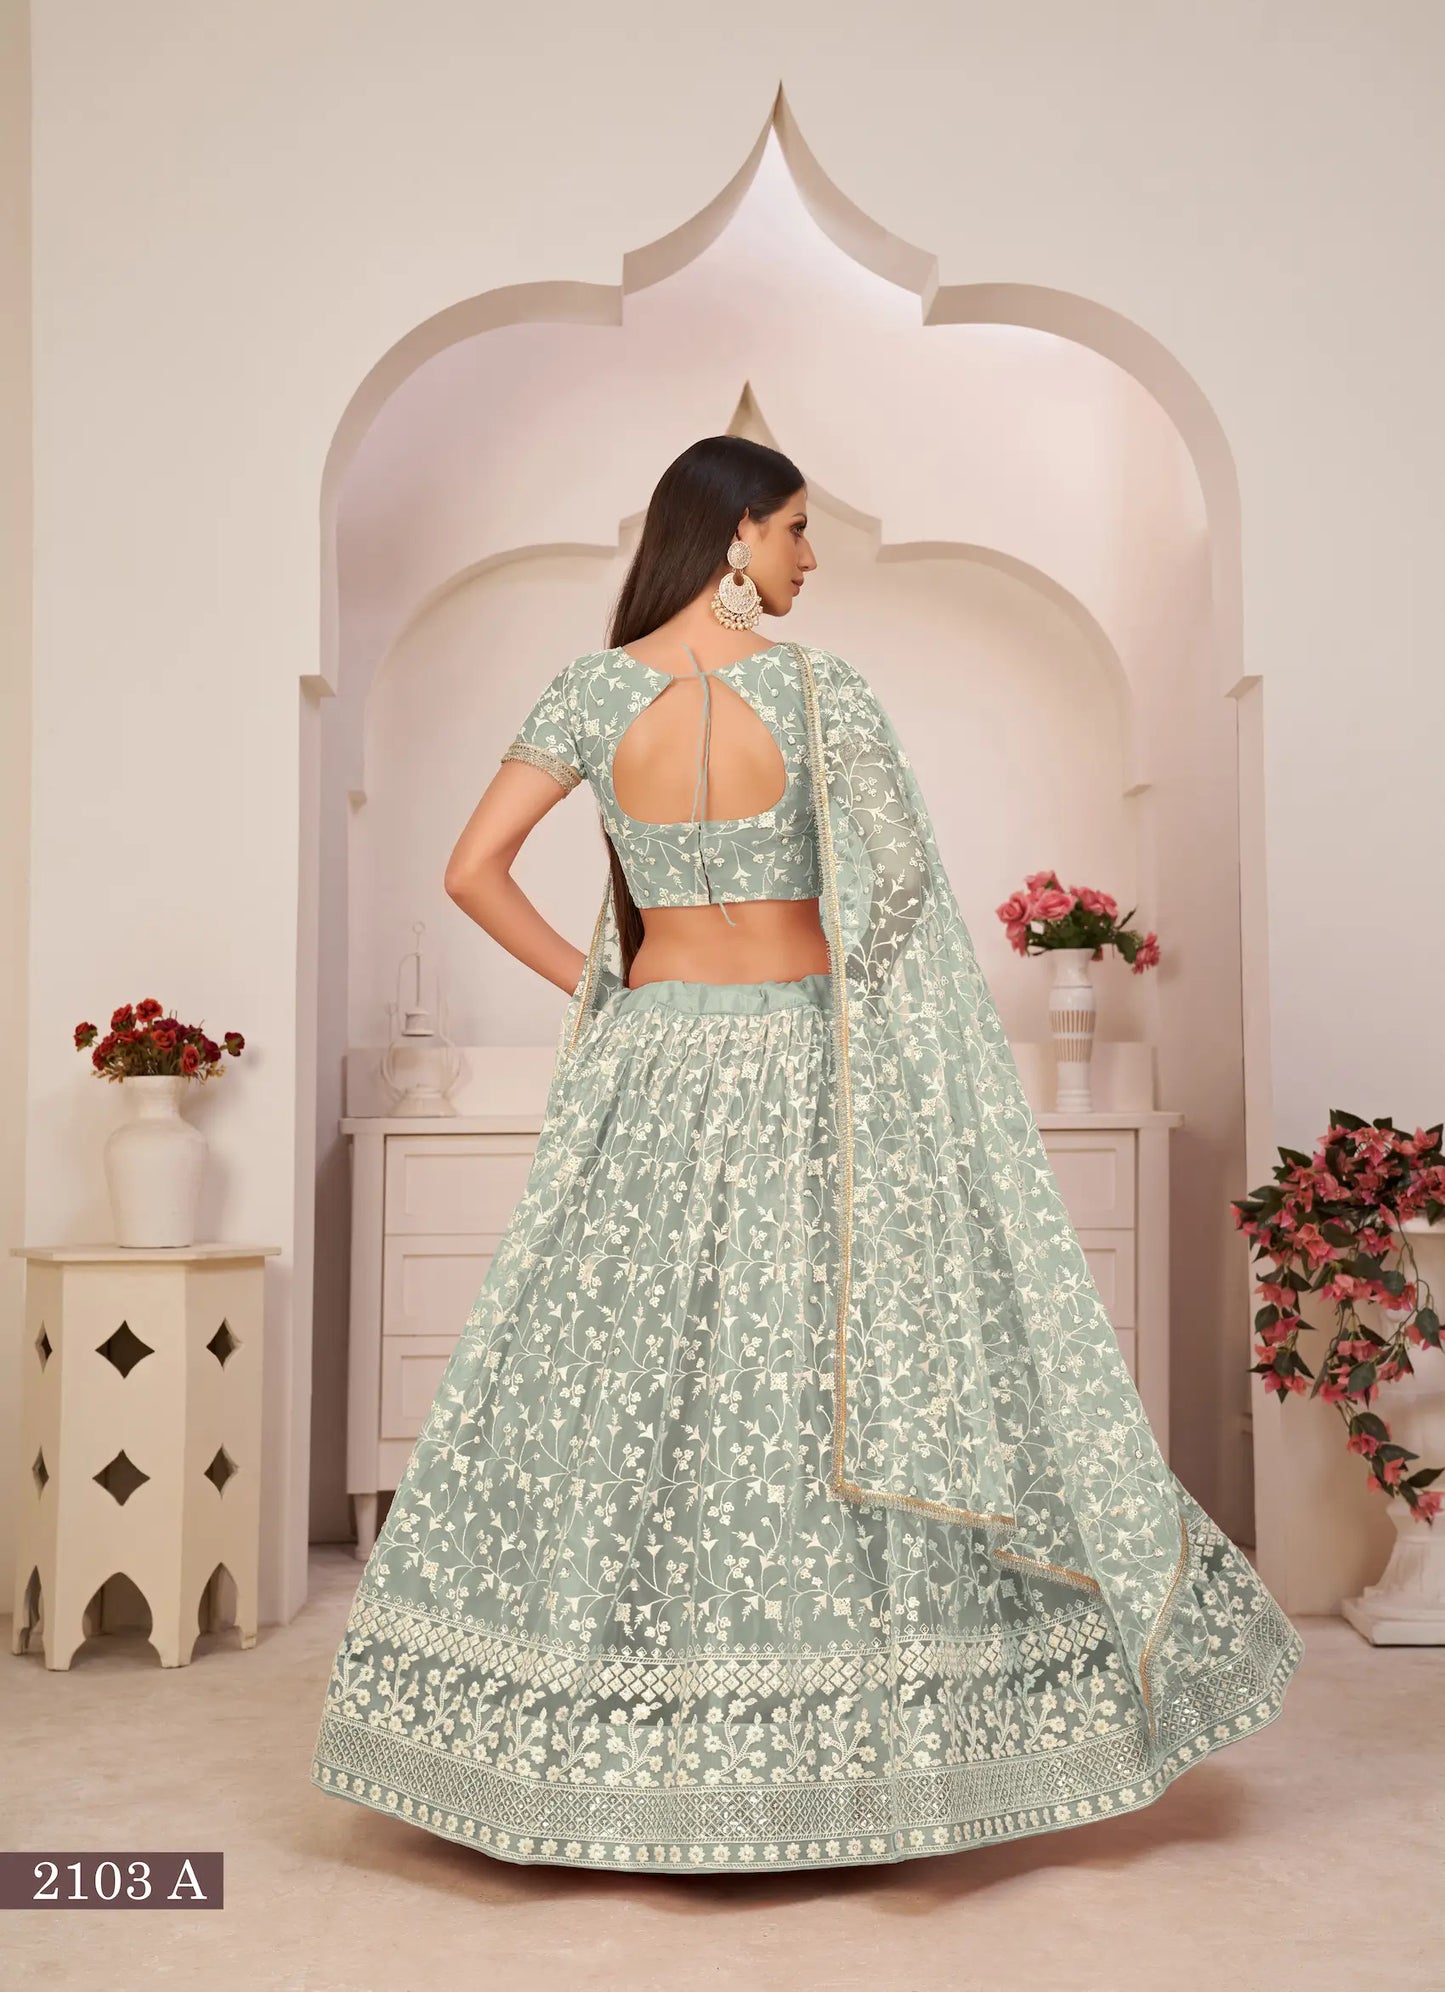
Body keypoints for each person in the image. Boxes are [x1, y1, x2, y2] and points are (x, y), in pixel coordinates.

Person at [312, 434, 1303, 1874]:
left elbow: (471, 872)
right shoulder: (822, 694)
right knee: (811, 1375)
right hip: (798, 1059)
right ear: (732, 538)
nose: (807, 556)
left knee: (624, 1376)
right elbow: (895, 913)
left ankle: (596, 1741)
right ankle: (835, 1752)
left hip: (654, 1060)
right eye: (791, 528)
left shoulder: (591, 690)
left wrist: (604, 992)